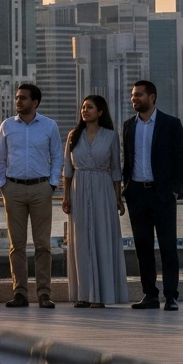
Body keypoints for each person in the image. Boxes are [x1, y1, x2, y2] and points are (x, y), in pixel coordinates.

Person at [122, 80, 183, 311]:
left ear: (152, 97)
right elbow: (127, 161)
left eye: (139, 95)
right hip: (137, 194)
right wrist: (125, 189)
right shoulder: (129, 125)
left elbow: (182, 160)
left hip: (162, 195)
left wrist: (174, 189)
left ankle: (171, 296)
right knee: (143, 247)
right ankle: (150, 295)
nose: (134, 99)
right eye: (133, 95)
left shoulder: (170, 124)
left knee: (168, 247)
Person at [0, 83, 62, 309]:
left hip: (40, 188)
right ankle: (19, 293)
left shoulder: (49, 126)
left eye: (23, 98)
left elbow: (57, 157)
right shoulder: (7, 126)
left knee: (43, 244)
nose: (18, 101)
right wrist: (3, 184)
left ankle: (44, 293)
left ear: (35, 102)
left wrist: (51, 185)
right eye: (17, 97)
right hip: (13, 188)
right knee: (17, 245)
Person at [61, 95, 128, 308]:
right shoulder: (73, 135)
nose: (85, 110)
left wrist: (118, 197)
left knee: (102, 238)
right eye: (83, 107)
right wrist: (66, 196)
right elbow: (67, 170)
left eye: (90, 107)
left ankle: (102, 295)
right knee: (80, 242)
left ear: (100, 112)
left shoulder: (110, 136)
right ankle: (83, 294)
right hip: (79, 189)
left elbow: (116, 169)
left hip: (103, 188)